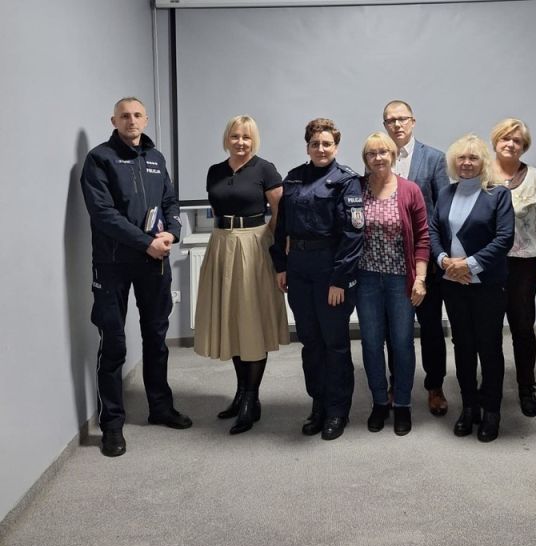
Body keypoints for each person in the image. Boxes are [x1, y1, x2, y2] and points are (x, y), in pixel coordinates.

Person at [80, 97, 192, 458]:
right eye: (124, 116)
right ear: (113, 120)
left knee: (156, 338)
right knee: (113, 343)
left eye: (137, 115)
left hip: (153, 262)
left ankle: (160, 408)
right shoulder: (99, 158)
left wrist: (171, 233)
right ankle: (112, 425)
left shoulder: (156, 158)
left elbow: (170, 202)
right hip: (113, 264)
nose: (131, 120)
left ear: (146, 120)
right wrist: (147, 243)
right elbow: (103, 214)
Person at [193, 115, 288, 435]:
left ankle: (251, 398)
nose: (241, 142)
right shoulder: (215, 171)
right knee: (234, 320)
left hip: (254, 246)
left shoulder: (265, 169)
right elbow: (217, 208)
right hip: (221, 245)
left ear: (254, 140)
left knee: (252, 320)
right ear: (227, 138)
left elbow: (280, 211)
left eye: (247, 137)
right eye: (235, 136)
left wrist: (265, 240)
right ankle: (241, 393)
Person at [270, 118, 364, 441]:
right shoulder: (294, 178)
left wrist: (340, 279)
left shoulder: (346, 181)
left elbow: (353, 234)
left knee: (334, 343)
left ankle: (338, 410)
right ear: (307, 146)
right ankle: (318, 404)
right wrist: (281, 265)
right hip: (298, 268)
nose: (321, 149)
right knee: (310, 342)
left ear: (335, 146)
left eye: (327, 144)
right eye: (315, 144)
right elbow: (281, 226)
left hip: (330, 270)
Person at [429, 134, 515, 443]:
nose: (466, 163)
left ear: (483, 162)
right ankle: (469, 407)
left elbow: (504, 238)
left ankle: (491, 410)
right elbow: (434, 230)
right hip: (453, 285)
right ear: (454, 162)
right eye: (461, 158)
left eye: (473, 158)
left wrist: (469, 265)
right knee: (462, 346)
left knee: (489, 347)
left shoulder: (498, 194)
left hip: (487, 285)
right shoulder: (446, 192)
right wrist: (443, 261)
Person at [356, 133, 429, 436]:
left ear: (393, 155)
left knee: (401, 343)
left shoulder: (410, 190)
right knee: (371, 342)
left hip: (401, 279)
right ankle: (379, 402)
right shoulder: (356, 189)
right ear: (365, 159)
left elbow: (423, 237)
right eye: (372, 153)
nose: (378, 158)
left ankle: (402, 404)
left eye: (384, 152)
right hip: (366, 279)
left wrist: (420, 279)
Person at [382, 99, 450, 417]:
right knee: (395, 330)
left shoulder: (433, 158)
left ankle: (435, 386)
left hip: (425, 259)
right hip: (389, 262)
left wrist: (438, 256)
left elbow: (442, 210)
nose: (397, 125)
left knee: (431, 328)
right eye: (390, 120)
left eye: (402, 119)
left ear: (413, 121)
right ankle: (397, 384)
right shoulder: (379, 157)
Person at [490, 118, 536, 417]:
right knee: (488, 330)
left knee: (523, 329)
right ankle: (491, 386)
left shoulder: (535, 178)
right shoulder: (481, 174)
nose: (510, 144)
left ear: (524, 146)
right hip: (488, 265)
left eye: (517, 140)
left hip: (523, 266)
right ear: (495, 141)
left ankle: (526, 387)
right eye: (505, 138)